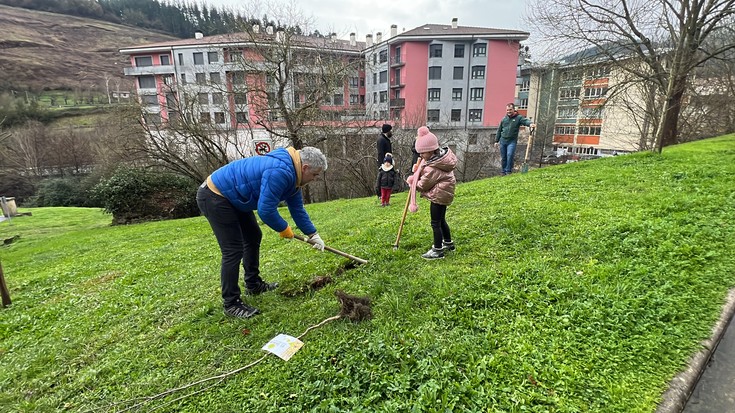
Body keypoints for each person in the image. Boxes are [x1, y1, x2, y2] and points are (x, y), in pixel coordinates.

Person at [196, 146, 328, 319]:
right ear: (305, 168)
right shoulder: (281, 171)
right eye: (315, 174)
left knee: (253, 236)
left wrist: (313, 234)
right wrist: (284, 228)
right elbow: (266, 211)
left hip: (233, 197)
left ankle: (253, 284)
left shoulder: (294, 175)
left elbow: (297, 208)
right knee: (233, 250)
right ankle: (231, 303)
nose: (315, 178)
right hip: (215, 196)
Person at [406, 126, 457, 260]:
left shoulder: (432, 168)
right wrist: (419, 170)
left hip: (438, 196)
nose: (421, 156)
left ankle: (438, 250)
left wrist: (413, 182)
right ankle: (448, 243)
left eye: (423, 153)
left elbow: (423, 185)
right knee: (441, 220)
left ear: (431, 150)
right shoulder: (439, 160)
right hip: (444, 194)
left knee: (435, 223)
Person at [494, 103, 536, 175]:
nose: (509, 111)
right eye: (507, 110)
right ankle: (503, 171)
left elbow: (525, 121)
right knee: (504, 157)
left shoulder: (518, 118)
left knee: (510, 154)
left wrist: (530, 124)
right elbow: (499, 130)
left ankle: (508, 171)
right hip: (503, 140)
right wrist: (496, 141)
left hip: (512, 141)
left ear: (513, 109)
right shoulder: (504, 119)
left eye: (510, 110)